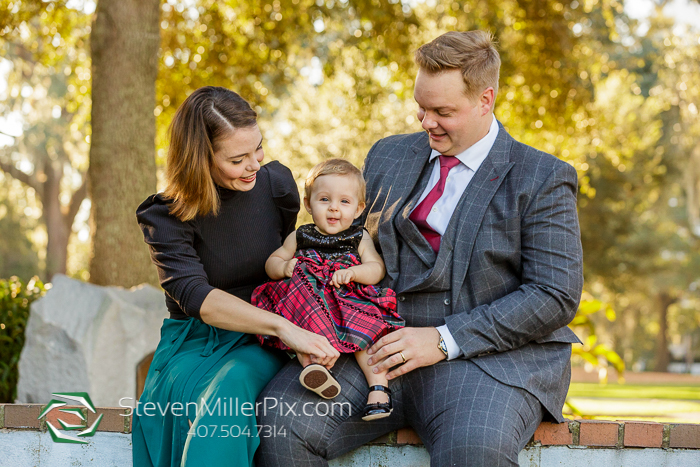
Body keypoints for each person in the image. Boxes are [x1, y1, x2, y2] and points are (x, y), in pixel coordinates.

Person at [256, 30, 583, 467]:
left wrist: (445, 341)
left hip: (485, 361)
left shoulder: (541, 177)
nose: (426, 121)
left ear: (486, 100)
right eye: (421, 107)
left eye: (443, 111)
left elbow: (555, 294)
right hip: (369, 347)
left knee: (474, 453)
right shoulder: (387, 156)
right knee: (280, 423)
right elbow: (349, 246)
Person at [131, 86, 340, 467]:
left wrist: (292, 327)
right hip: (198, 340)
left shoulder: (276, 186)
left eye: (257, 148)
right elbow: (197, 298)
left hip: (266, 336)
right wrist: (283, 328)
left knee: (233, 383)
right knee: (201, 394)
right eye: (237, 158)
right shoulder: (164, 217)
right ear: (200, 159)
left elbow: (288, 260)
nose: (254, 165)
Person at [252, 159, 405, 421]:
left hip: (346, 300)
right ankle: (315, 370)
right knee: (301, 334)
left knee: (367, 335)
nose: (334, 207)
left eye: (344, 202)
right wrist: (285, 266)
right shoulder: (301, 236)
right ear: (309, 204)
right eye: (324, 199)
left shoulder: (358, 237)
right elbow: (271, 263)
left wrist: (354, 272)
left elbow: (376, 268)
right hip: (307, 303)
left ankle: (378, 390)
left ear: (358, 209)